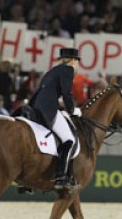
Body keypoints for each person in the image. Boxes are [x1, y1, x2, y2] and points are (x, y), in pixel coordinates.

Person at [29, 47, 82, 189]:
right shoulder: (68, 69)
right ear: (73, 61)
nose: (78, 65)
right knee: (69, 141)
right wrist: (71, 110)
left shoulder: (52, 70)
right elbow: (67, 93)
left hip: (36, 107)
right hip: (48, 109)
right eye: (77, 61)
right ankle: (61, 176)